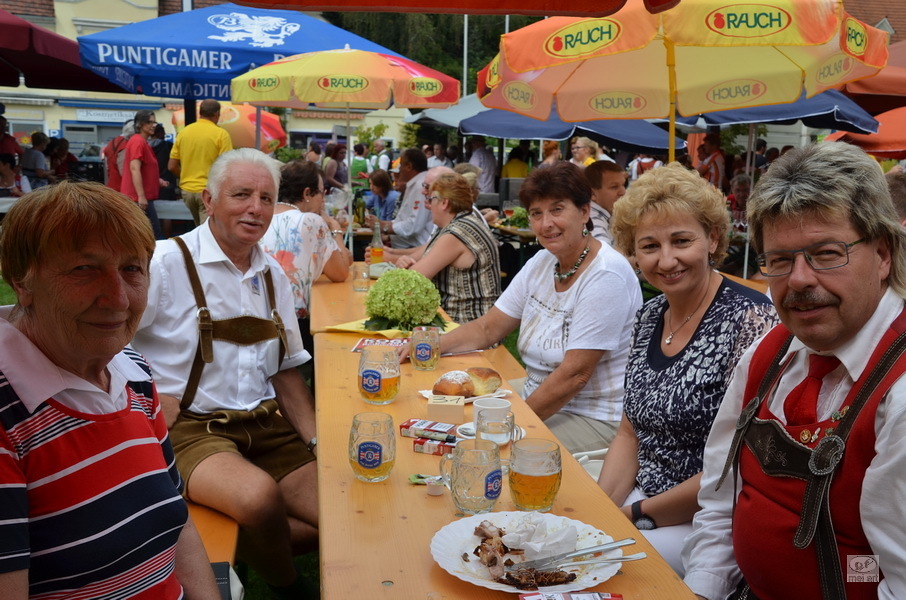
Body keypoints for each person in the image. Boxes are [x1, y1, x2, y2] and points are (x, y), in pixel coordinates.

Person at [682, 143, 906, 600]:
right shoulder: (769, 351)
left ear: (883, 254)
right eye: (780, 260)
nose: (799, 279)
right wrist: (704, 589)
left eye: (826, 253)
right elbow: (721, 501)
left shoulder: (899, 393)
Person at [0, 181, 219, 599]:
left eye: (132, 269)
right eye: (84, 269)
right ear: (22, 281)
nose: (118, 298)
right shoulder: (7, 414)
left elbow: (177, 520)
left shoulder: (130, 368)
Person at [132, 149, 319, 598]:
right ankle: (289, 587)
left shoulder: (272, 275)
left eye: (266, 198)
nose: (255, 208)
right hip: (189, 427)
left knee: (339, 508)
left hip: (264, 423)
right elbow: (106, 341)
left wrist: (318, 442)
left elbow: (286, 370)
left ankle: (252, 540)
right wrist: (147, 393)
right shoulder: (164, 262)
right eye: (241, 195)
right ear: (208, 200)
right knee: (258, 498)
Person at [599, 163, 778, 575]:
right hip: (639, 502)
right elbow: (629, 432)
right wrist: (601, 509)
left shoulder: (751, 321)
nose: (667, 260)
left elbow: (737, 463)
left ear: (712, 238)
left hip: (707, 521)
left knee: (591, 571)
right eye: (649, 246)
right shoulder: (650, 315)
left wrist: (631, 516)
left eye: (681, 241)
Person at [427, 162, 643, 453]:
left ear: (584, 211)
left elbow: (575, 376)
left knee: (484, 451)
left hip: (594, 416)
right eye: (536, 213)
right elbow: (488, 328)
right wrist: (428, 346)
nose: (546, 224)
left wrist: (512, 423)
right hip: (538, 392)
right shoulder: (542, 262)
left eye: (557, 209)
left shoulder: (606, 274)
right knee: (447, 414)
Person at [391, 172, 501, 324]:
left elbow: (409, 283)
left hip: (464, 325)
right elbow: (417, 266)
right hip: (473, 323)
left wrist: (403, 267)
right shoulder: (461, 223)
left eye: (431, 199)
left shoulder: (457, 233)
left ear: (444, 203)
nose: (429, 206)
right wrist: (404, 262)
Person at [261, 159, 351, 323]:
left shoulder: (262, 215)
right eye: (322, 193)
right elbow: (341, 272)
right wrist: (335, 229)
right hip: (292, 322)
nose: (323, 200)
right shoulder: (310, 221)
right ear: (307, 193)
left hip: (258, 317)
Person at [169, 99, 234, 226]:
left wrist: (186, 177)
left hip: (187, 192)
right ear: (217, 114)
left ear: (200, 113)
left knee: (200, 228)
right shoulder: (221, 134)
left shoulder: (184, 133)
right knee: (208, 231)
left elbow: (171, 166)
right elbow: (227, 167)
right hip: (209, 191)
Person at [368, 148, 432, 249]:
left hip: (414, 250)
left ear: (409, 166)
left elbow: (413, 226)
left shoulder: (420, 186)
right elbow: (404, 219)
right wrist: (382, 224)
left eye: (401, 165)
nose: (399, 169)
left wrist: (384, 226)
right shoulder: (415, 185)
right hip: (409, 248)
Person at [120, 109, 163, 240]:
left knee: (148, 236)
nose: (153, 125)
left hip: (139, 198)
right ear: (140, 124)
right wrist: (141, 196)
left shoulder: (141, 141)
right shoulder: (138, 141)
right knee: (152, 236)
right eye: (149, 122)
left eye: (154, 122)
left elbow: (143, 168)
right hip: (137, 199)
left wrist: (157, 180)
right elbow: (134, 168)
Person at [585, 160, 628, 246]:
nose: (623, 192)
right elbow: (603, 251)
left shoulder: (606, 214)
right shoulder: (593, 221)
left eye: (623, 185)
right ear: (592, 194)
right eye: (614, 187)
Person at [102, 119, 133, 192]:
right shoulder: (125, 144)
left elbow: (106, 167)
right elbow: (124, 171)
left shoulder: (112, 142)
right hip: (122, 188)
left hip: (111, 186)